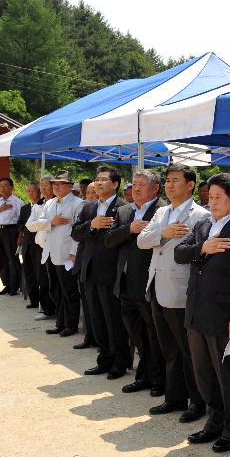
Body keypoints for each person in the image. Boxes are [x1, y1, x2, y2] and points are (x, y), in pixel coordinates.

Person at [175, 173, 230, 453]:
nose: (213, 201)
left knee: (229, 375)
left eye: (219, 197)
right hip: (197, 310)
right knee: (204, 372)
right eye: (210, 196)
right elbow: (180, 253)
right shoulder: (203, 224)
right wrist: (203, 248)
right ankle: (214, 421)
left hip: (225, 316)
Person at [138, 164, 208, 422]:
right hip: (156, 286)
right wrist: (163, 233)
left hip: (181, 290)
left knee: (188, 351)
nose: (169, 185)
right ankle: (174, 397)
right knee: (168, 348)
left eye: (175, 180)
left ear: (190, 185)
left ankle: (196, 401)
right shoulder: (161, 212)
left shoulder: (200, 215)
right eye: (167, 181)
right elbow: (141, 241)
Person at [105, 170, 166, 396]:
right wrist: (129, 229)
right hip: (125, 283)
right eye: (135, 184)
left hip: (148, 284)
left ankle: (160, 381)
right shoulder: (124, 211)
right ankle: (144, 376)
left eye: (142, 184)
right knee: (137, 334)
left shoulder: (162, 211)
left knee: (154, 335)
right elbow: (109, 240)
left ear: (155, 187)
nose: (136, 189)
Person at [72, 166, 129, 379]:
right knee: (96, 319)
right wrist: (92, 225)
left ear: (115, 184)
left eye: (104, 179)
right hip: (90, 270)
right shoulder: (89, 208)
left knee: (113, 320)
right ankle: (104, 359)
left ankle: (120, 362)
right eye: (97, 179)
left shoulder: (124, 208)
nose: (98, 183)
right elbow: (76, 233)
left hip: (111, 272)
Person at [27, 171, 83, 336]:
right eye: (54, 184)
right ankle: (60, 322)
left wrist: (74, 252)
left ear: (69, 186)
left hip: (66, 254)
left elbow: (77, 232)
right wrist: (51, 222)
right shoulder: (50, 203)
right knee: (55, 290)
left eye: (60, 184)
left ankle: (71, 325)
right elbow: (31, 225)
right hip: (49, 252)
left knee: (69, 291)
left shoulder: (77, 204)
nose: (56, 187)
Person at [26, 175, 58, 321]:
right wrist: (49, 222)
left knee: (54, 280)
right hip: (40, 246)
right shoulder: (38, 204)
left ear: (53, 186)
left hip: (55, 246)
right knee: (42, 279)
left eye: (46, 185)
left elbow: (38, 224)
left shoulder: (57, 203)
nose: (43, 188)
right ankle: (47, 309)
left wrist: (42, 223)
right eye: (41, 185)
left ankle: (58, 310)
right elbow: (30, 225)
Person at [0, 177, 24, 295]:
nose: (3, 188)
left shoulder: (18, 202)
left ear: (11, 187)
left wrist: (20, 236)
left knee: (13, 259)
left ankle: (15, 286)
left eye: (6, 185)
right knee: (2, 259)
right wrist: (1, 209)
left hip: (11, 231)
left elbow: (21, 221)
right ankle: (7, 285)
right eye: (1, 186)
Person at [72, 181, 98, 349]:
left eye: (93, 192)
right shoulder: (86, 210)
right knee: (87, 304)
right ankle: (89, 337)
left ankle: (98, 338)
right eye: (88, 192)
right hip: (83, 262)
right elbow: (76, 233)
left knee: (97, 307)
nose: (90, 195)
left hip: (98, 265)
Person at [17, 182, 44, 310]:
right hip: (27, 244)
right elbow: (20, 224)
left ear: (39, 192)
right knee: (29, 273)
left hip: (39, 245)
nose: (30, 193)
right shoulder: (25, 208)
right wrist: (27, 228)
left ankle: (42, 302)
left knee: (40, 274)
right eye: (28, 191)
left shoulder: (44, 206)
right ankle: (34, 300)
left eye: (32, 191)